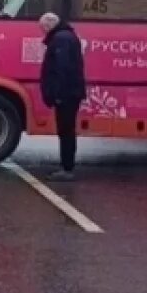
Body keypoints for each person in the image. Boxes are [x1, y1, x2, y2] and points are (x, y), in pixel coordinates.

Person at [39, 12, 86, 181]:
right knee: (66, 130)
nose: (43, 31)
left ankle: (67, 169)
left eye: (43, 28)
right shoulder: (66, 36)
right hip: (70, 92)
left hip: (66, 94)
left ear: (50, 24)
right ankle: (66, 166)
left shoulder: (61, 39)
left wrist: (57, 94)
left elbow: (61, 69)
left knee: (65, 131)